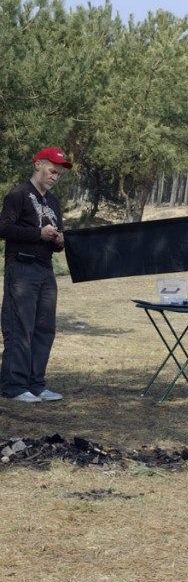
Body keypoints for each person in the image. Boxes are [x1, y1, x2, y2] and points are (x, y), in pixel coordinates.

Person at [0, 146, 72, 402]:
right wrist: (37, 234)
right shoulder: (18, 194)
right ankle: (14, 386)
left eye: (59, 174)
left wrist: (59, 240)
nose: (55, 177)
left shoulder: (53, 202)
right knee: (20, 326)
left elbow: (56, 240)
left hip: (45, 268)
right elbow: (3, 228)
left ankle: (36, 384)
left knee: (45, 328)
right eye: (52, 170)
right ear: (38, 164)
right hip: (21, 267)